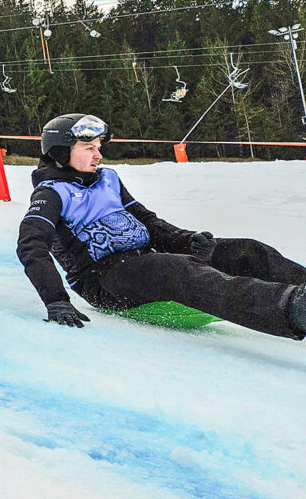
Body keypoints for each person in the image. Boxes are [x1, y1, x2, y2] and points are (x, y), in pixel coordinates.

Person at [16, 113, 306, 339]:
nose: (98, 155)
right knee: (183, 271)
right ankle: (294, 309)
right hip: (105, 278)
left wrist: (185, 240)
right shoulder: (51, 194)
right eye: (88, 147)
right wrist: (55, 300)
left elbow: (147, 221)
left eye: (99, 147)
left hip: (148, 257)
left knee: (246, 251)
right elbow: (30, 245)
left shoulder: (109, 180)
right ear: (61, 152)